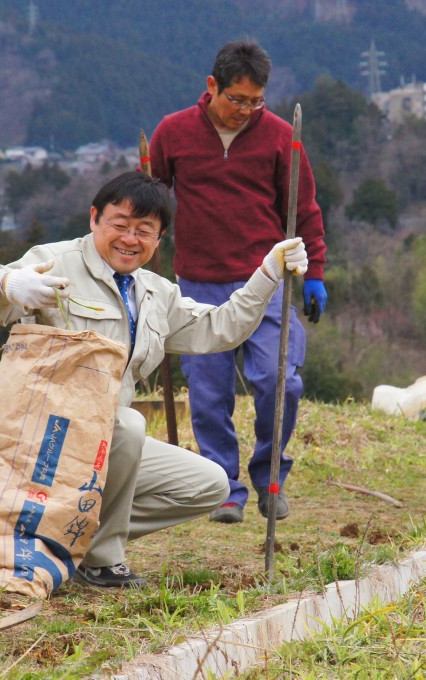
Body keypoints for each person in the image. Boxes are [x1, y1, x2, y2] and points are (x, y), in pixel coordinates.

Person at [0, 171, 308, 587]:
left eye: (144, 231)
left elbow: (221, 328)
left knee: (208, 484)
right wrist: (11, 283)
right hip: (47, 439)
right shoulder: (57, 260)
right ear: (95, 218)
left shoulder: (154, 292)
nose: (131, 239)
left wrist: (268, 273)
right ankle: (101, 561)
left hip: (104, 444)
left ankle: (69, 538)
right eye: (120, 225)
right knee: (128, 425)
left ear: (159, 238)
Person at [149, 40, 328, 524]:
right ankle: (221, 486)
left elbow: (304, 208)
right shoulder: (173, 132)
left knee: (278, 380)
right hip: (197, 283)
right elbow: (152, 196)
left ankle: (271, 475)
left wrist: (315, 275)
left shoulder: (277, 136)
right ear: (212, 87)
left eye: (256, 101)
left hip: (265, 280)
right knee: (208, 393)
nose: (246, 111)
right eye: (237, 100)